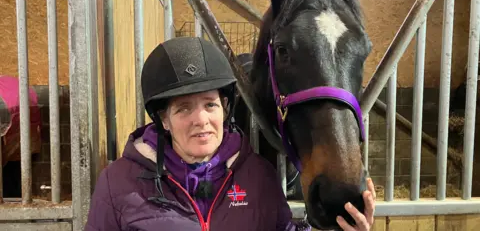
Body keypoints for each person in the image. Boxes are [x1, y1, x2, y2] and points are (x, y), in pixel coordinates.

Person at [85, 37, 376, 230]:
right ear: (163, 119)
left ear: (225, 109)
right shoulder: (118, 183)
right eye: (183, 109)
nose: (201, 120)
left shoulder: (258, 176)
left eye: (210, 104)